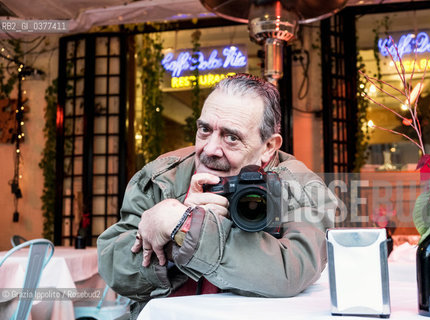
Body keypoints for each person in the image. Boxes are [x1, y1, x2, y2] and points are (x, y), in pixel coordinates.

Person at [97, 73, 337, 318]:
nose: (209, 149)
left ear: (268, 147)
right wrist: (171, 244)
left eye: (231, 137)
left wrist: (185, 229)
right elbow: (114, 267)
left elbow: (292, 270)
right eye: (204, 130)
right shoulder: (162, 176)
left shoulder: (300, 187)